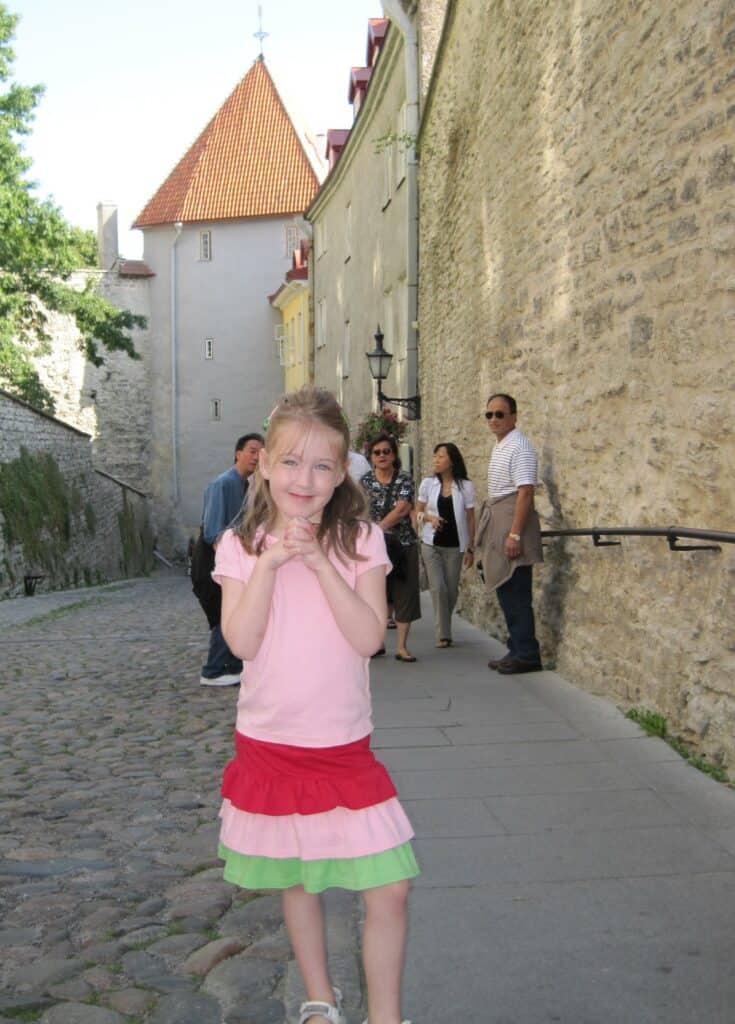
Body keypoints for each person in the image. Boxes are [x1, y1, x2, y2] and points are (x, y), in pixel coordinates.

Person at [213, 387, 418, 1024]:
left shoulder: (359, 539)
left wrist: (324, 567)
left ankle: (384, 1017)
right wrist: (272, 566)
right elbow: (241, 642)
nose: (306, 479)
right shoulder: (240, 546)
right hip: (274, 745)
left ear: (343, 471)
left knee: (391, 885)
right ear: (266, 465)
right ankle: (319, 1000)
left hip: (344, 750)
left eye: (323, 465)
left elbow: (366, 638)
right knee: (298, 879)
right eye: (292, 463)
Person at [476, 393, 544, 673]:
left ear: (513, 416)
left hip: (511, 520)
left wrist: (515, 534)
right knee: (506, 591)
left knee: (516, 591)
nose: (493, 419)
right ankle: (517, 648)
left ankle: (527, 655)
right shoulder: (501, 445)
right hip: (499, 516)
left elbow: (525, 492)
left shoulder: (520, 446)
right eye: (489, 414)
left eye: (500, 414)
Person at [191, 432, 263, 686]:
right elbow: (213, 532)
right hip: (212, 559)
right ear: (238, 453)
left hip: (233, 558)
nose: (257, 456)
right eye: (252, 451)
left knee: (234, 612)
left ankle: (232, 666)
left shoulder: (249, 486)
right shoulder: (223, 484)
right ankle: (213, 670)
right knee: (225, 614)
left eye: (261, 452)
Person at [361, 431, 421, 662]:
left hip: (402, 545)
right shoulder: (364, 482)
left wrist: (378, 529)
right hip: (374, 549)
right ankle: (376, 643)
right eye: (377, 452)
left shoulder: (404, 478)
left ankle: (402, 647)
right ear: (371, 457)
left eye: (386, 451)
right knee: (375, 595)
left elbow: (403, 508)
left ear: (394, 455)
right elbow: (359, 510)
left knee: (404, 593)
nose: (382, 455)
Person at [416, 443, 476, 648]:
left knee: (451, 590)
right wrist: (430, 518)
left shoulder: (465, 486)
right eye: (434, 457)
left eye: (440, 457)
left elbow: (470, 519)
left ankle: (444, 627)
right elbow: (417, 513)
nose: (436, 461)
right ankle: (443, 634)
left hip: (455, 546)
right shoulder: (428, 484)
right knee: (438, 588)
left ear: (451, 460)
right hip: (430, 543)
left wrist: (470, 548)